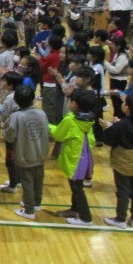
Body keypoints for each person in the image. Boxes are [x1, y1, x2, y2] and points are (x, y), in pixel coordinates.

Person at [48, 89, 96, 226]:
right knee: (77, 185)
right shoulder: (88, 119)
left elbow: (58, 135)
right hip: (85, 159)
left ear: (74, 104)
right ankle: (75, 209)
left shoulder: (70, 120)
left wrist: (47, 125)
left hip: (75, 160)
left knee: (77, 188)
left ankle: (86, 218)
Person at [4, 86, 49, 220]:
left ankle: (29, 210)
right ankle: (37, 203)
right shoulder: (42, 113)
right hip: (41, 153)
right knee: (38, 179)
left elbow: (9, 136)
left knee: (27, 182)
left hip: (24, 155)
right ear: (33, 99)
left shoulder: (16, 116)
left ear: (16, 101)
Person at [99, 94, 133, 229]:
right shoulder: (124, 124)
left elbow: (108, 140)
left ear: (127, 108)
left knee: (123, 191)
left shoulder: (122, 124)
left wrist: (108, 127)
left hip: (122, 163)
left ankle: (120, 219)